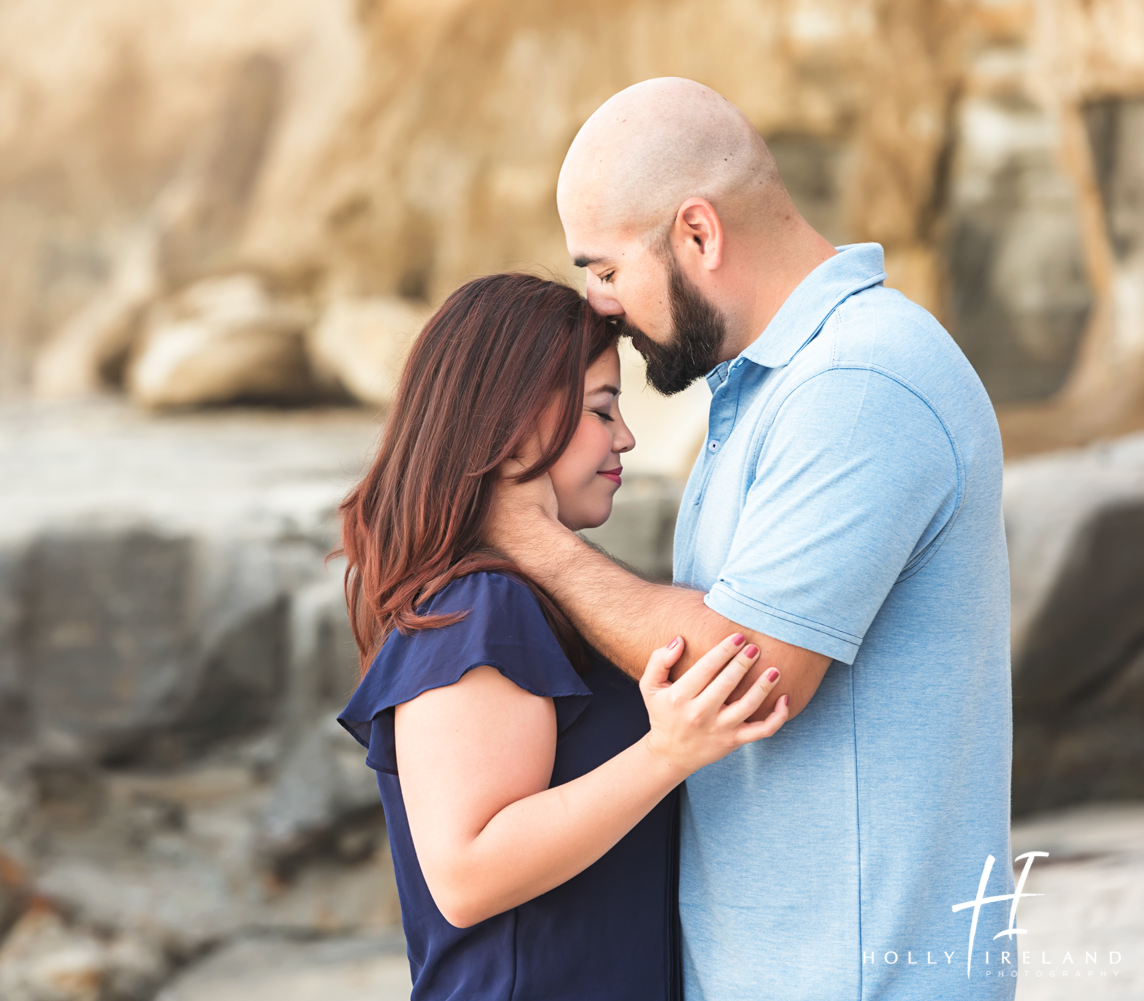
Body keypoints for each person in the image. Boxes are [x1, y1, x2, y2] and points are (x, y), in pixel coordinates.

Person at [484, 78, 1014, 1000]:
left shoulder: (860, 383)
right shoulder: (772, 388)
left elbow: (748, 671)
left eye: (605, 269)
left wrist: (529, 540)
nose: (597, 304)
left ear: (699, 233)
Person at [335, 272, 789, 1001]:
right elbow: (467, 871)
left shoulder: (522, 597)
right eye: (603, 408)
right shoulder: (483, 605)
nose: (626, 436)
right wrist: (665, 754)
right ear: (522, 418)